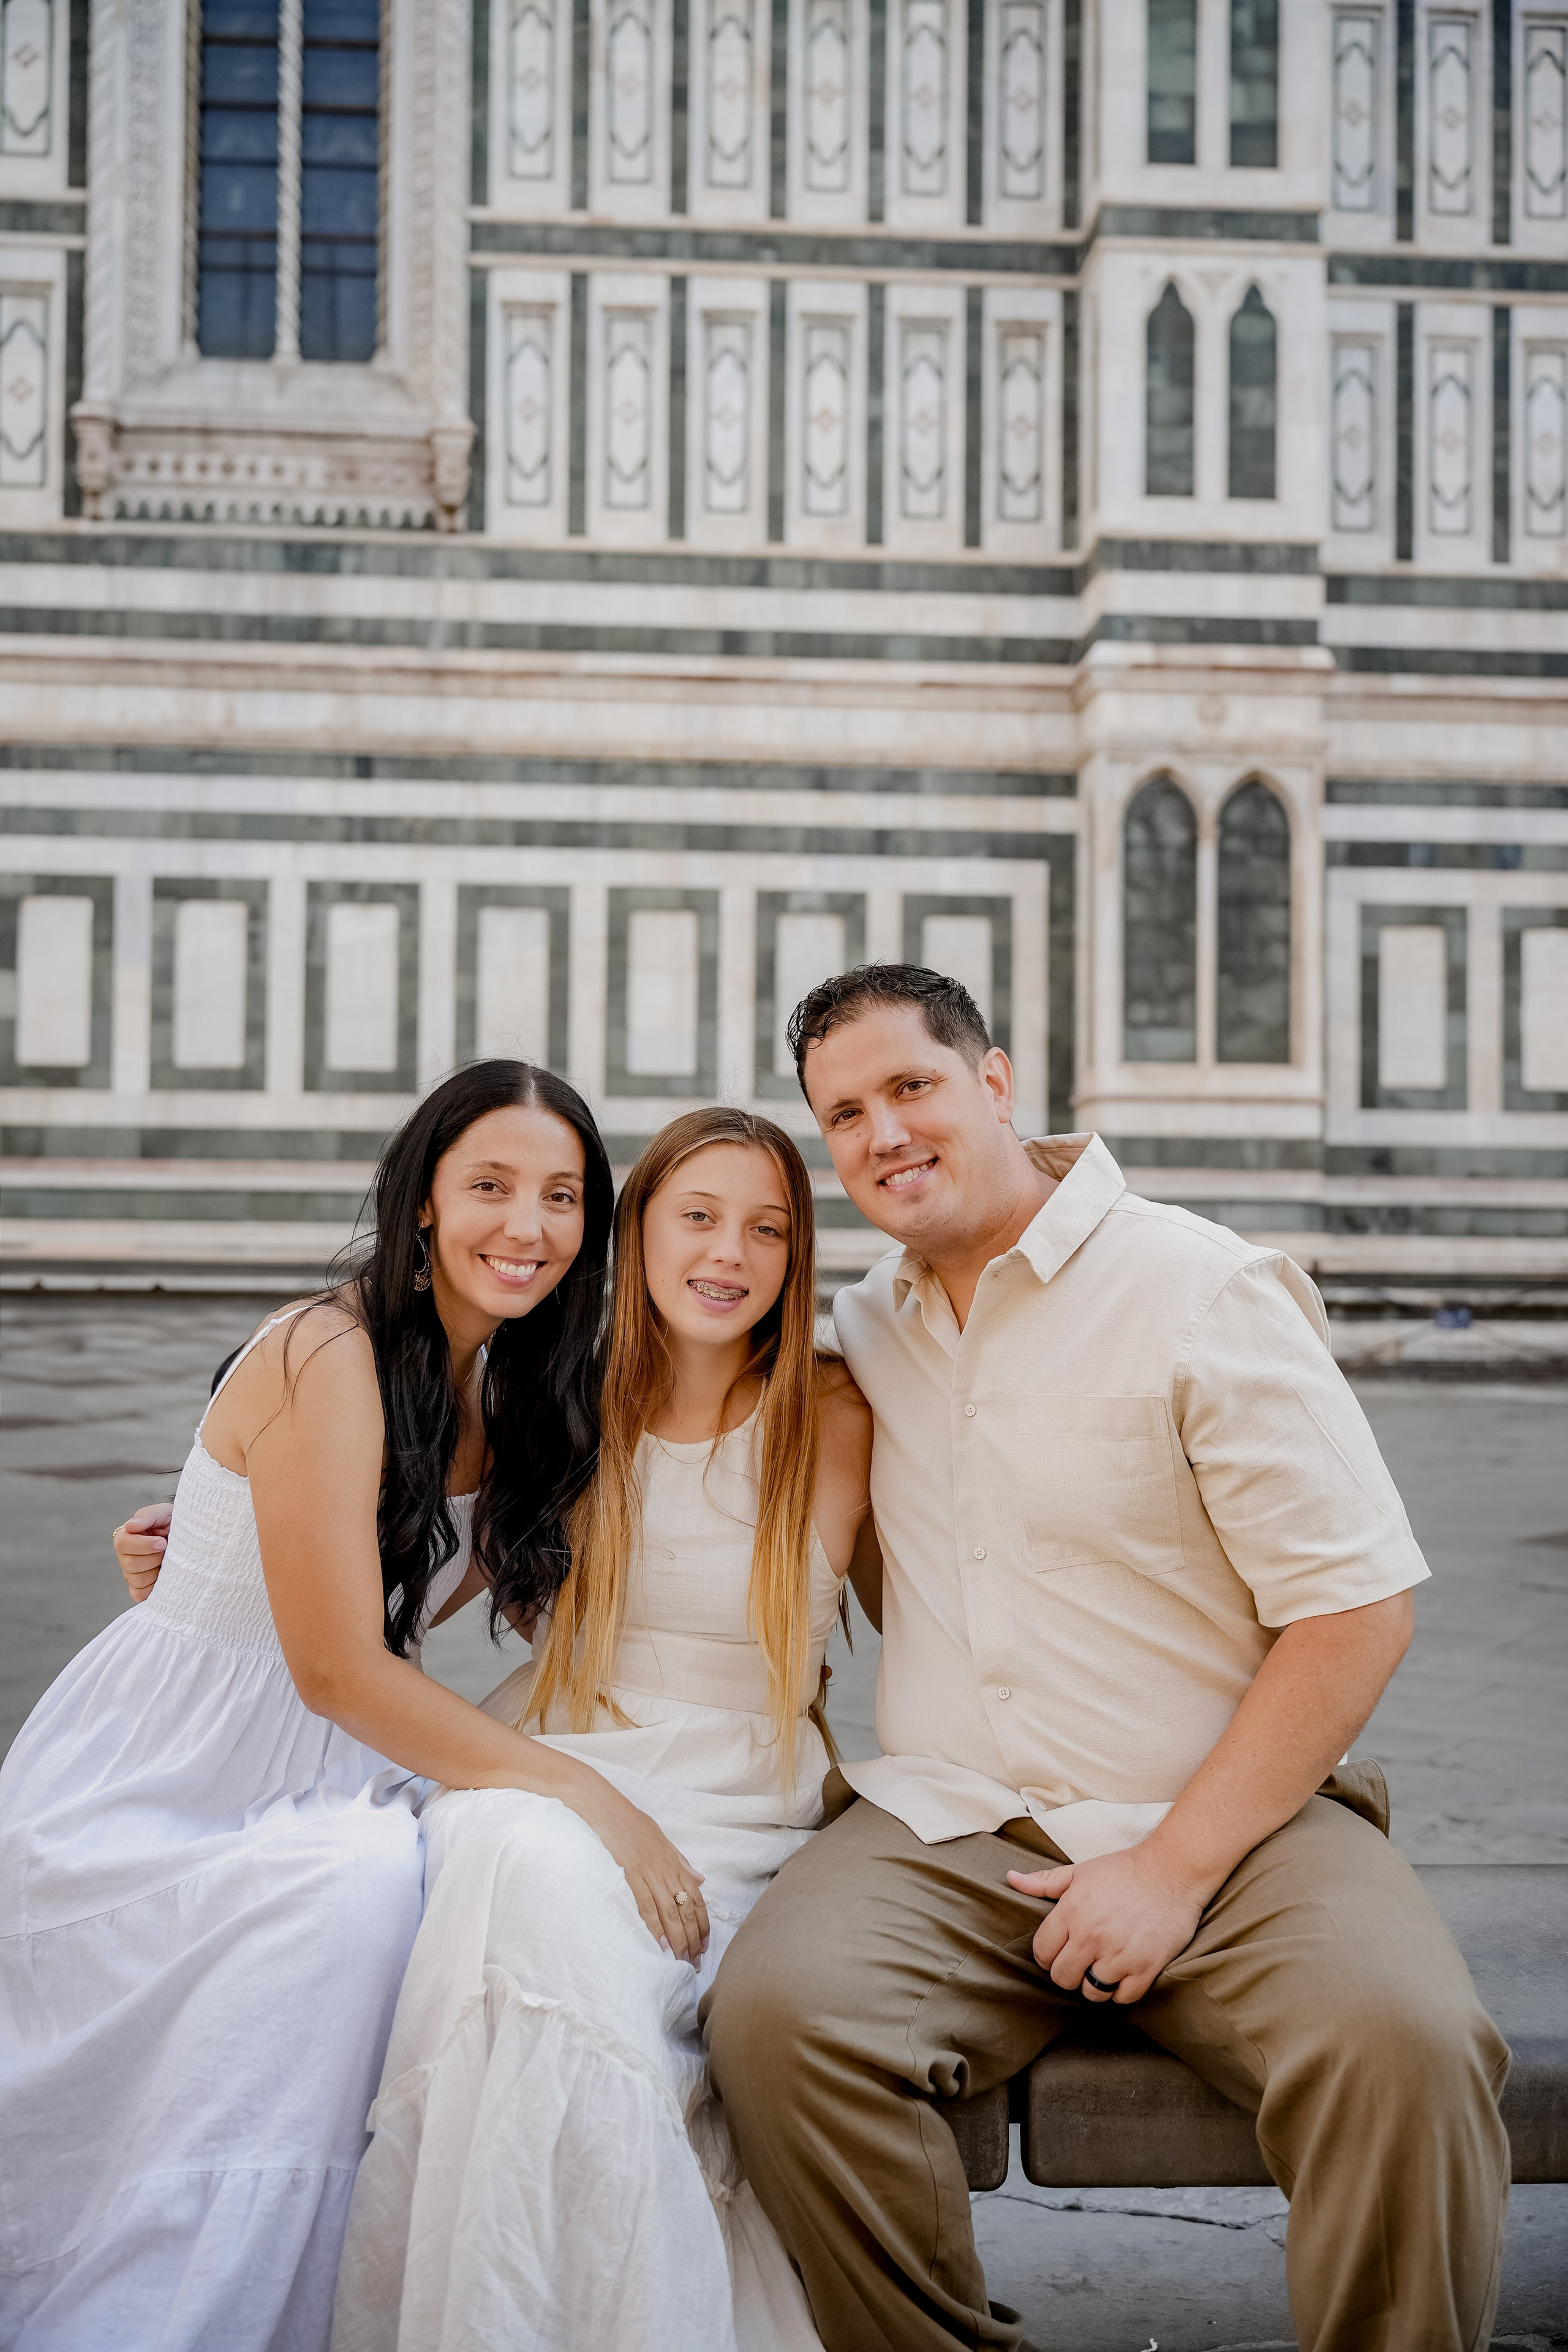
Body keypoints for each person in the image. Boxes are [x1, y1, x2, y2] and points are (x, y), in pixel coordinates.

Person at [702, 965, 1512, 2352]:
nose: (883, 1134)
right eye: (844, 1114)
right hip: (955, 1821)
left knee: (1409, 2044)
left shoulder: (1199, 1290)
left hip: (1227, 1819)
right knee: (778, 2021)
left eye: (911, 1087)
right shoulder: (866, 1326)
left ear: (995, 1082)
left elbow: (1357, 1610)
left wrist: (1172, 1867)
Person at [0, 1061, 707, 2352]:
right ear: (424, 1199)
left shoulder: (513, 1393)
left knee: (466, 1885)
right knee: (359, 1887)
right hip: (178, 1766)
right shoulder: (325, 1350)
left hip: (338, 1759)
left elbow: (534, 1613)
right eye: (490, 1186)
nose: (527, 1225)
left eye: (561, 1197)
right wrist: (594, 1797)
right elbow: (333, 1664)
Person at [328, 1107, 873, 2352]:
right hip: (556, 1760)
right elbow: (407, 1574)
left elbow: (981, 1585)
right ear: (635, 1236)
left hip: (742, 1796)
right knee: (515, 1868)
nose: (728, 1253)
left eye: (767, 1229)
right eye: (698, 1217)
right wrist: (209, 1547)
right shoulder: (557, 1402)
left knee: (590, 1958)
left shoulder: (838, 1415)